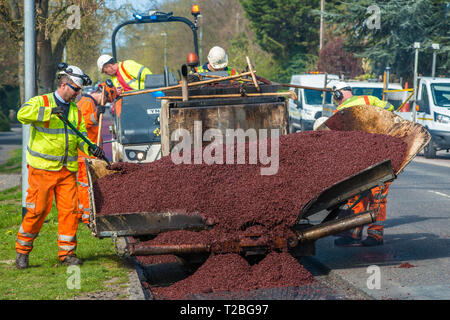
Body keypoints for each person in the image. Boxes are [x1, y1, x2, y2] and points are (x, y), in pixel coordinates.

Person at [15, 64, 105, 269]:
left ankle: (67, 253)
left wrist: (91, 148)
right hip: (42, 170)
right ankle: (22, 251)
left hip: (66, 172)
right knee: (37, 211)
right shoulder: (42, 101)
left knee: (70, 212)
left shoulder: (74, 110)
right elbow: (22, 115)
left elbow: (79, 136)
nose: (78, 94)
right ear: (64, 85)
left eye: (79, 90)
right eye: (76, 89)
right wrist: (48, 112)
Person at [332, 81, 394, 247]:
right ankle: (373, 235)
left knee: (357, 196)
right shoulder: (369, 99)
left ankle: (357, 234)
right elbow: (390, 108)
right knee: (377, 197)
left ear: (338, 95)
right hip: (380, 156)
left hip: (358, 160)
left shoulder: (339, 112)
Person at [77, 80, 117, 225]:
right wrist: (95, 115)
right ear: (101, 93)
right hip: (85, 153)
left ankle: (84, 212)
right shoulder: (87, 102)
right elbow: (82, 122)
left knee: (86, 183)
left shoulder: (90, 102)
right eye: (106, 99)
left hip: (90, 151)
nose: (105, 102)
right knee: (84, 183)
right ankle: (86, 215)